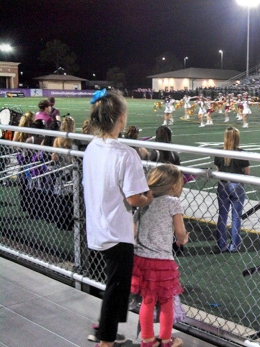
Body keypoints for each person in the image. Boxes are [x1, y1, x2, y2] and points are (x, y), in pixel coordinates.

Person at [83, 89, 153, 347]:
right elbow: (135, 198)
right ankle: (106, 340)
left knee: (117, 285)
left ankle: (107, 330)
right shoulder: (126, 153)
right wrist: (149, 197)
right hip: (116, 229)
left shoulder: (92, 147)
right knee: (117, 286)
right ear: (120, 118)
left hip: (97, 225)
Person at [131, 164, 189, 347]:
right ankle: (166, 339)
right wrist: (183, 239)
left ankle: (148, 339)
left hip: (141, 258)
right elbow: (179, 231)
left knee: (147, 301)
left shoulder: (144, 201)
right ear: (173, 186)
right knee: (166, 301)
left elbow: (133, 229)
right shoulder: (173, 203)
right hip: (162, 260)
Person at [213, 127, 250, 252]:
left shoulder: (220, 152)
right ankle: (235, 245)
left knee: (222, 215)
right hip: (237, 185)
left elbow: (218, 170)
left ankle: (222, 244)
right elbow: (247, 172)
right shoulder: (241, 153)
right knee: (236, 217)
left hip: (223, 185)